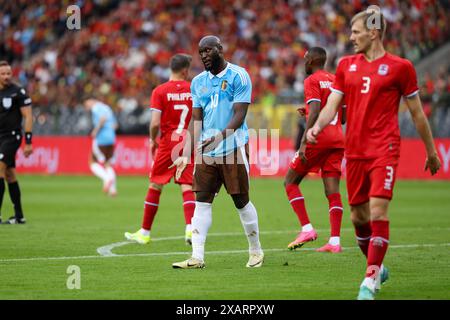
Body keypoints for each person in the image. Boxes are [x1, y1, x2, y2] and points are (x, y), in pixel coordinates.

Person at [306, 8, 441, 300]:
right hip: (354, 150)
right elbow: (332, 104)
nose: (351, 37)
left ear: (374, 32)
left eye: (356, 32)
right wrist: (317, 125)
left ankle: (368, 280)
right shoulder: (345, 66)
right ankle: (378, 266)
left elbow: (417, 113)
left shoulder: (400, 67)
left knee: (378, 211)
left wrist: (430, 151)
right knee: (358, 218)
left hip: (385, 148)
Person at [172, 35, 264, 269]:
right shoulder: (197, 82)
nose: (203, 56)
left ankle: (255, 251)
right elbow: (196, 121)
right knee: (201, 202)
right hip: (206, 151)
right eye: (200, 52)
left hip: (233, 148)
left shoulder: (239, 76)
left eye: (208, 51)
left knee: (241, 201)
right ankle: (197, 258)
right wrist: (185, 152)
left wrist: (219, 138)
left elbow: (239, 115)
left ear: (220, 49)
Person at [124, 54, 196, 245]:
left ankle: (145, 233)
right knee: (187, 185)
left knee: (156, 184)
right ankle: (190, 229)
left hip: (168, 141)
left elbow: (155, 122)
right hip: (188, 140)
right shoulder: (194, 89)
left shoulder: (160, 91)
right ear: (184, 70)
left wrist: (152, 139)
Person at [285, 47, 346, 253]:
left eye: (305, 58)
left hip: (318, 139)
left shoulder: (311, 80)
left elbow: (318, 111)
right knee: (332, 191)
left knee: (290, 182)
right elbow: (343, 116)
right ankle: (335, 242)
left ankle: (307, 229)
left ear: (311, 60)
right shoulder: (337, 79)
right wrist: (309, 112)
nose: (304, 62)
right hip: (338, 139)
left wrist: (304, 141)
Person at [0, 60, 33, 224]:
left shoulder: (17, 91)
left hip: (12, 136)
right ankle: (19, 216)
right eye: (3, 74)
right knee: (9, 174)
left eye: (8, 73)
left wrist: (28, 141)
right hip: (0, 138)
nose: (6, 77)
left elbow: (28, 116)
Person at [84, 98, 118, 197]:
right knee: (108, 164)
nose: (87, 108)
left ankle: (107, 178)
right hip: (111, 138)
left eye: (86, 105)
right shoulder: (107, 108)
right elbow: (115, 125)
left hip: (101, 138)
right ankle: (113, 190)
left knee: (92, 162)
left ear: (91, 101)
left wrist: (95, 130)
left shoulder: (96, 108)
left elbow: (102, 119)